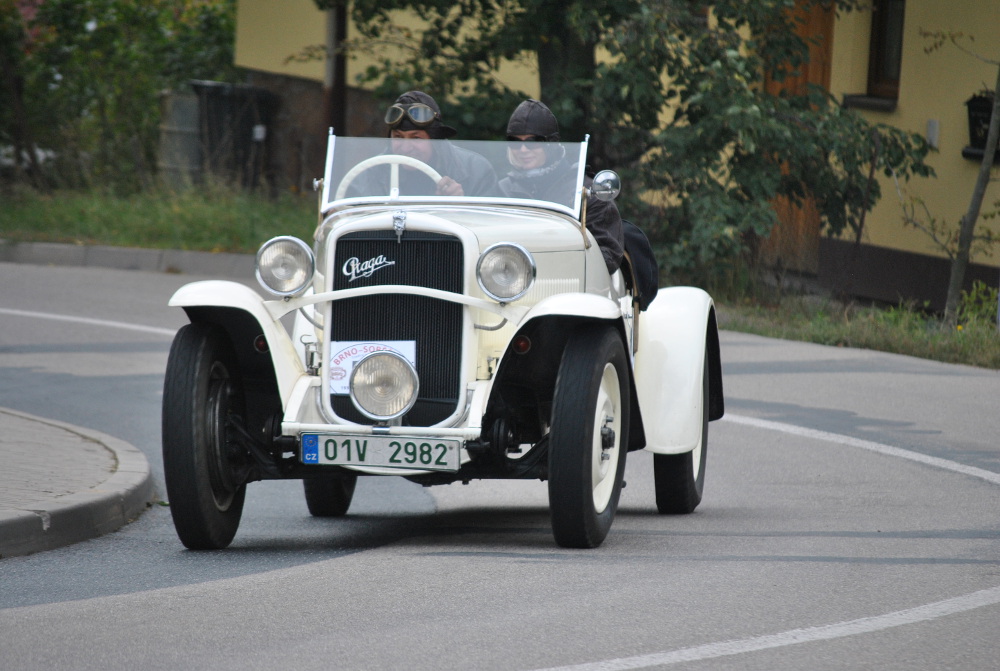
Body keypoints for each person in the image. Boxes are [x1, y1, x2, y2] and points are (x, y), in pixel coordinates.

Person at [499, 99, 624, 274]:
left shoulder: (586, 192)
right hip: (507, 282)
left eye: (533, 141)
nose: (523, 150)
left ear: (551, 144)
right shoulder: (501, 190)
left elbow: (607, 256)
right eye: (515, 141)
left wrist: (553, 267)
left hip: (566, 283)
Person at [354, 91, 498, 197]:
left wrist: (461, 206)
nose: (405, 148)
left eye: (416, 138)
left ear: (435, 141)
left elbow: (489, 224)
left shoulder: (475, 171)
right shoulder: (369, 174)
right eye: (398, 137)